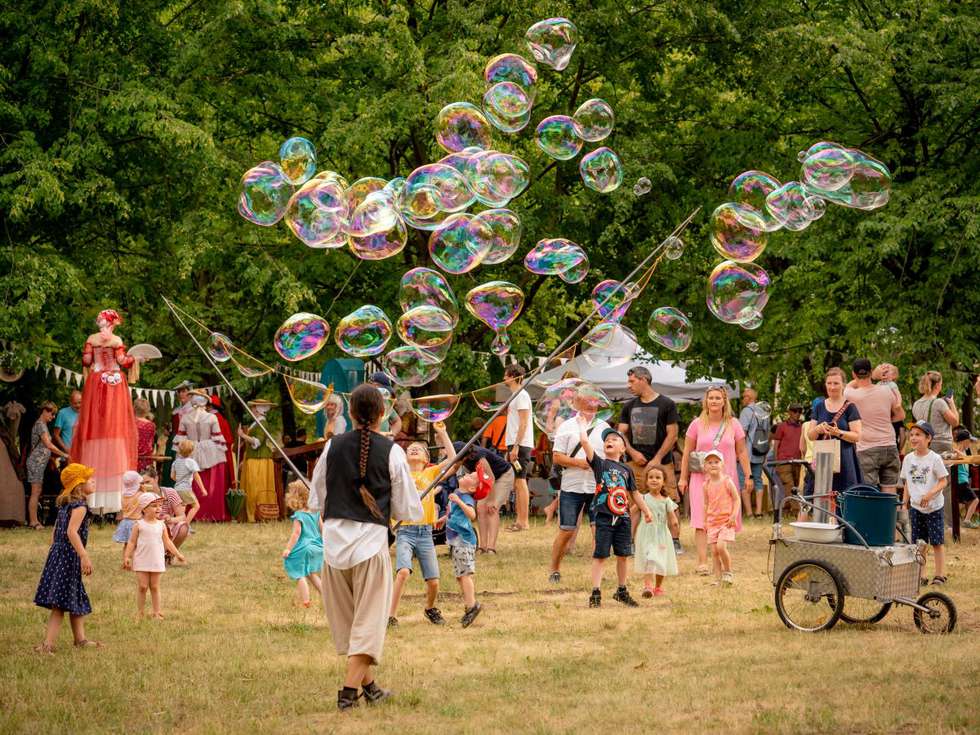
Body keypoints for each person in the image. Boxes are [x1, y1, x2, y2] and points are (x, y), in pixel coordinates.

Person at [308, 384, 423, 711]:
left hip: (333, 546)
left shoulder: (331, 448)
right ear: (381, 414)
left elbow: (318, 497)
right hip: (369, 547)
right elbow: (407, 509)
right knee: (368, 623)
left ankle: (369, 687)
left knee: (349, 622)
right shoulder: (392, 452)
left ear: (353, 413)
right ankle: (348, 693)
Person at [70, 309, 141, 515]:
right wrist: (134, 359)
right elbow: (121, 361)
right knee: (113, 421)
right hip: (114, 382)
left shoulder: (91, 339)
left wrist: (91, 355)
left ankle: (95, 500)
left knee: (97, 419)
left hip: (96, 379)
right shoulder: (116, 339)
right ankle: (114, 501)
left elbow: (86, 361)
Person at [577, 418, 651, 608]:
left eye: (614, 439)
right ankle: (595, 592)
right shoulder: (600, 464)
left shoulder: (627, 470)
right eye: (606, 439)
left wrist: (647, 511)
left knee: (623, 555)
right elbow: (585, 443)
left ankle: (621, 590)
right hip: (603, 516)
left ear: (623, 449)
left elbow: (634, 493)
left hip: (623, 518)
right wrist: (582, 426)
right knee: (600, 555)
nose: (609, 440)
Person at [678, 386, 751, 575]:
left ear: (724, 400)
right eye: (711, 398)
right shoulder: (697, 424)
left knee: (723, 517)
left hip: (726, 478)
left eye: (718, 398)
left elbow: (742, 451)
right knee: (702, 519)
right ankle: (702, 562)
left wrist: (748, 474)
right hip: (700, 479)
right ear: (706, 401)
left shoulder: (733, 423)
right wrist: (683, 477)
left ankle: (719, 557)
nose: (714, 401)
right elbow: (687, 451)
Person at [389, 421, 455, 627]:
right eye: (410, 449)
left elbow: (453, 459)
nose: (414, 449)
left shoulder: (430, 473)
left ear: (427, 459)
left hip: (425, 533)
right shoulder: (399, 474)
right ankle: (390, 615)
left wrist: (443, 433)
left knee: (434, 581)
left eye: (419, 449)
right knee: (402, 572)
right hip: (405, 532)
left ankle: (430, 608)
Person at [33, 464, 99, 653]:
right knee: (59, 604)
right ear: (79, 485)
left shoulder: (66, 505)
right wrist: (83, 556)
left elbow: (54, 532)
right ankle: (48, 645)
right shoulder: (80, 507)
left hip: (59, 555)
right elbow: (71, 532)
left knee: (74, 595)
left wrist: (56, 553)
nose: (94, 481)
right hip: (69, 557)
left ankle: (80, 639)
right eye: (90, 479)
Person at [548, 390, 611, 584]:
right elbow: (556, 457)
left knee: (599, 529)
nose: (592, 406)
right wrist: (579, 463)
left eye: (594, 403)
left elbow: (611, 454)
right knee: (567, 530)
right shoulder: (567, 427)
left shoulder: (604, 427)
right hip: (572, 486)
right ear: (576, 404)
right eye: (587, 403)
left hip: (596, 486)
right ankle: (554, 569)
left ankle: (598, 573)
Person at [617, 365, 681, 552]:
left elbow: (673, 435)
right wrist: (633, 452)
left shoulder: (667, 404)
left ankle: (675, 541)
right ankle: (630, 543)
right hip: (634, 465)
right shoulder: (628, 406)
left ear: (644, 379)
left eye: (632, 381)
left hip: (663, 464)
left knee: (669, 501)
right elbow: (621, 433)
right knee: (635, 504)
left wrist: (657, 458)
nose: (629, 386)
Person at [901, 421, 949, 585]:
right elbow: (907, 482)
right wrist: (904, 503)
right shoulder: (908, 459)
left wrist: (930, 494)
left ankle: (940, 575)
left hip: (934, 507)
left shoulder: (934, 458)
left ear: (928, 438)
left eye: (918, 435)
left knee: (936, 542)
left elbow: (943, 482)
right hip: (916, 508)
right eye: (912, 434)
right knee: (919, 543)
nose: (913, 438)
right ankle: (920, 575)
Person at [123, 492, 186, 619]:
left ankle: (157, 612)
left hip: (156, 560)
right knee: (142, 586)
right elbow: (131, 542)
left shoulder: (161, 525)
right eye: (154, 506)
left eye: (160, 505)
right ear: (144, 509)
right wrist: (127, 557)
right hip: (141, 560)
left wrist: (177, 554)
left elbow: (167, 541)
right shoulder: (138, 525)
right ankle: (140, 612)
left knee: (155, 586)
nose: (158, 508)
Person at [843, 358, 901, 494]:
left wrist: (874, 375)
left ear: (853, 374)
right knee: (890, 489)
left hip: (866, 448)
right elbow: (899, 415)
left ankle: (872, 516)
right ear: (870, 372)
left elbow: (849, 385)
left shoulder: (851, 394)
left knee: (868, 492)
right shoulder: (887, 391)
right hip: (890, 445)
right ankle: (889, 516)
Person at [450, 440, 514, 554]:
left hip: (502, 476)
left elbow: (491, 478)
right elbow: (453, 469)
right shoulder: (462, 458)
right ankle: (482, 547)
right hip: (483, 480)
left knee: (492, 509)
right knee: (480, 509)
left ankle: (491, 548)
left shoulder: (478, 457)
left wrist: (491, 500)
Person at [172, 389, 228, 521]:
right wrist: (221, 453)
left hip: (190, 449)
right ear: (205, 401)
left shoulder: (185, 417)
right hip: (210, 449)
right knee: (209, 480)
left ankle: (193, 513)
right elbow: (217, 438)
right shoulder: (212, 417)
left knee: (190, 480)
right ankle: (211, 513)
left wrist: (180, 456)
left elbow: (180, 439)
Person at [809, 367, 864, 500]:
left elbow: (857, 436)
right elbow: (810, 436)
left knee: (844, 498)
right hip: (823, 459)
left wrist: (838, 432)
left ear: (843, 385)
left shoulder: (850, 407)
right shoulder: (819, 406)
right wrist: (818, 429)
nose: (832, 387)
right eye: (829, 383)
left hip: (845, 460)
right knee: (822, 498)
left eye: (836, 383)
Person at [634, 465, 679, 598]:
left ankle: (658, 587)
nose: (654, 480)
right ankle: (647, 586)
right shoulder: (643, 498)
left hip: (661, 535)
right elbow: (632, 512)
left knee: (661, 561)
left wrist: (675, 526)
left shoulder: (666, 500)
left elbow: (673, 518)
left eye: (658, 477)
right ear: (646, 481)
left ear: (664, 481)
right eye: (651, 477)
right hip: (646, 534)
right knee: (650, 558)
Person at [26, 402, 70, 530]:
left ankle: (34, 520)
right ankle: (33, 522)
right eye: (52, 413)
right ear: (45, 410)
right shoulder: (40, 425)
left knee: (37, 491)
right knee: (35, 492)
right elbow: (48, 445)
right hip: (36, 462)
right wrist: (64, 454)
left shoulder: (43, 425)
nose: (53, 417)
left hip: (39, 462)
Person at [281, 481, 324, 608]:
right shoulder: (315, 513)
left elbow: (296, 534)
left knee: (299, 573)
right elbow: (323, 530)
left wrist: (288, 549)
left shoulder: (299, 515)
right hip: (317, 547)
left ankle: (305, 602)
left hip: (305, 548)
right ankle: (326, 597)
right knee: (311, 574)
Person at [701, 450, 740, 585]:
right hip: (712, 522)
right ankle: (718, 579)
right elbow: (706, 503)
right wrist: (705, 520)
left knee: (721, 547)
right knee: (714, 552)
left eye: (716, 462)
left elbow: (736, 499)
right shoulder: (705, 485)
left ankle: (728, 572)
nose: (713, 465)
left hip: (726, 521)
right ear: (705, 466)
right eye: (709, 462)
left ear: (722, 464)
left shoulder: (727, 482)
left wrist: (734, 515)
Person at [503, 364, 534, 532]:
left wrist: (515, 447)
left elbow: (523, 423)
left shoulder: (521, 395)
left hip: (520, 445)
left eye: (506, 375)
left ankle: (523, 522)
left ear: (514, 376)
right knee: (517, 481)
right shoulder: (515, 396)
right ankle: (519, 520)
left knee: (521, 481)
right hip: (516, 444)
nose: (503, 379)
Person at [239, 399, 279, 522]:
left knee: (257, 486)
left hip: (260, 460)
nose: (251, 409)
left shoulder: (262, 423)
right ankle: (251, 514)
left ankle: (258, 514)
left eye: (253, 407)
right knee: (252, 486)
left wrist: (243, 435)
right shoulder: (256, 422)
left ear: (258, 409)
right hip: (253, 458)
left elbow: (257, 441)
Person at [737, 387, 768, 519]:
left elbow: (741, 434)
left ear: (749, 398)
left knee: (744, 481)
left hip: (746, 452)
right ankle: (759, 512)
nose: (742, 399)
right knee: (758, 481)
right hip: (759, 452)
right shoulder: (763, 411)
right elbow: (767, 433)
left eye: (744, 396)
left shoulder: (746, 411)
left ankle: (749, 513)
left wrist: (738, 452)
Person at [912, 371, 959, 454]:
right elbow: (955, 422)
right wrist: (951, 403)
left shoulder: (916, 404)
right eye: (941, 384)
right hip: (941, 445)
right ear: (937, 386)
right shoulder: (939, 402)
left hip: (925, 445)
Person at [111, 471, 146, 563]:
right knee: (135, 545)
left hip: (125, 522)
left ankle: (125, 561)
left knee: (127, 544)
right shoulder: (140, 495)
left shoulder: (123, 495)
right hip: (136, 523)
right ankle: (135, 563)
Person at [171, 440, 205, 526]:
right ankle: (185, 526)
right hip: (186, 489)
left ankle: (177, 526)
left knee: (182, 509)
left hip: (177, 488)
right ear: (191, 452)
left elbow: (172, 476)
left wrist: (179, 480)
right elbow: (197, 477)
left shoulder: (175, 462)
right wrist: (203, 489)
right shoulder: (191, 462)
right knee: (196, 506)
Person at [771, 404, 804, 493]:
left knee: (793, 487)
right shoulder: (782, 426)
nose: (797, 413)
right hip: (783, 462)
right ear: (789, 412)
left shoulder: (802, 427)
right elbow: (776, 444)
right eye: (795, 411)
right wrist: (776, 462)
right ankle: (797, 507)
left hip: (797, 462)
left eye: (799, 412)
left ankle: (786, 506)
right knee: (790, 487)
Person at [950, 428, 979, 528]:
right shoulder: (956, 452)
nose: (970, 444)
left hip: (964, 481)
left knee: (970, 501)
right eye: (969, 441)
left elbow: (971, 461)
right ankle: (966, 521)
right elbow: (954, 457)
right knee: (975, 500)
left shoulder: (965, 453)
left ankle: (965, 520)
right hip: (961, 482)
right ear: (964, 441)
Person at [367, 372, 402, 438]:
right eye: (384, 390)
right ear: (375, 386)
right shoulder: (362, 402)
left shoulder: (385, 402)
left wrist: (391, 434)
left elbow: (397, 421)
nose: (385, 394)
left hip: (383, 442)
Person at [133, 398, 156, 472]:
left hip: (132, 457)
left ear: (134, 408)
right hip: (146, 458)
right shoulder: (151, 425)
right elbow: (151, 442)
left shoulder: (131, 423)